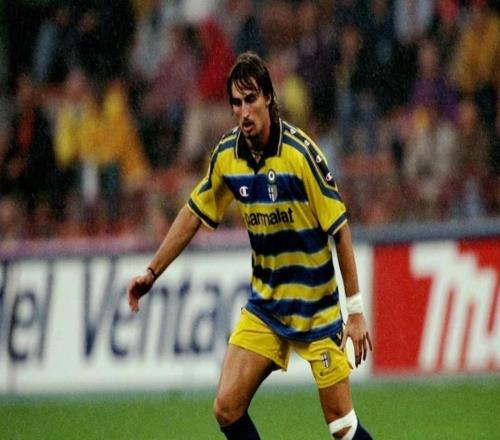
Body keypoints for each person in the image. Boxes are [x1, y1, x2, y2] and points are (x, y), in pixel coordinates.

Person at [127, 52, 373, 440]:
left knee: (342, 427)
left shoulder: (301, 154)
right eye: (236, 103)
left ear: (269, 98)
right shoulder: (228, 156)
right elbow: (192, 214)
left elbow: (339, 229)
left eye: (251, 99)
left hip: (315, 309)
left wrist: (355, 311)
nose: (244, 111)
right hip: (266, 307)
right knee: (226, 407)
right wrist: (152, 272)